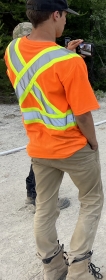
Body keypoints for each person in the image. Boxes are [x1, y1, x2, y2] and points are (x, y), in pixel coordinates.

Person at [4, 0, 106, 280]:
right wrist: (93, 142)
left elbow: (37, 72)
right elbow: (82, 113)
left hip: (39, 147)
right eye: (64, 15)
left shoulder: (12, 51)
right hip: (72, 147)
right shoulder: (70, 62)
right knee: (92, 201)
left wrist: (62, 54)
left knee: (45, 206)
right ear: (55, 14)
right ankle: (80, 270)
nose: (65, 21)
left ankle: (53, 268)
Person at [12, 22, 71, 213]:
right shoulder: (31, 59)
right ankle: (42, 199)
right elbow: (46, 70)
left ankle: (32, 192)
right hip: (45, 115)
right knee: (46, 156)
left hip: (34, 115)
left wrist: (66, 53)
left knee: (39, 155)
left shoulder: (16, 58)